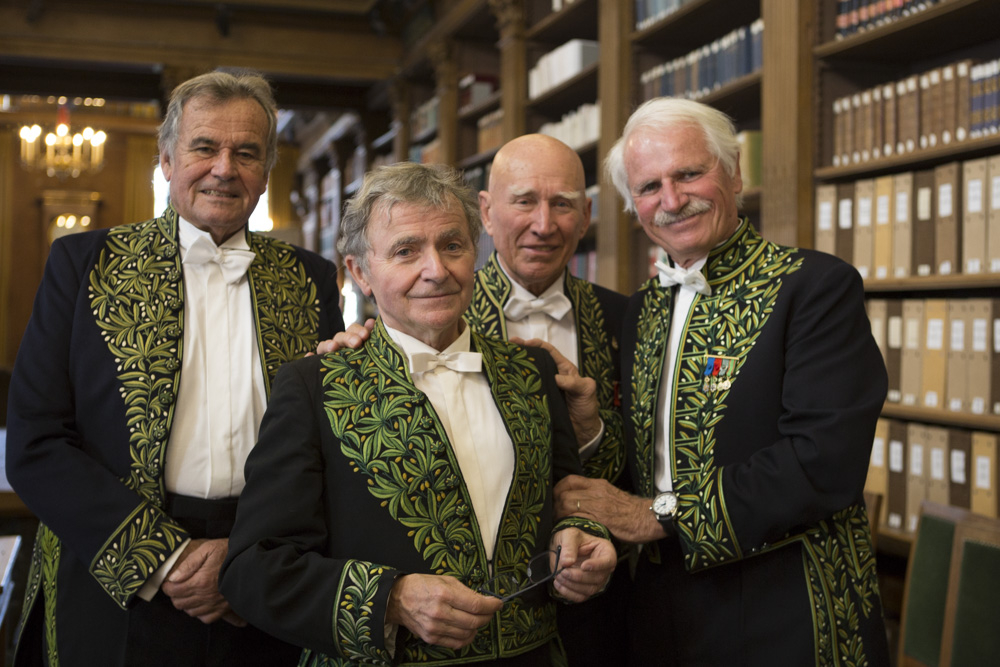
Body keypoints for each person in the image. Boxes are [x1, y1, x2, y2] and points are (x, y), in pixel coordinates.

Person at [5, 70, 344, 667]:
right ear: (166, 160)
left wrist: (243, 555)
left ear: (266, 172)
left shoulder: (312, 279)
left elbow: (326, 443)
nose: (224, 168)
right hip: (111, 574)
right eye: (204, 148)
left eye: (245, 153)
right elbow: (35, 443)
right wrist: (166, 558)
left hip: (264, 574)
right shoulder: (83, 264)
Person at [220, 162, 617, 667]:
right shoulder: (313, 386)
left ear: (476, 252)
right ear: (360, 273)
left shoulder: (532, 371)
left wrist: (585, 538)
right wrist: (393, 598)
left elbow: (570, 498)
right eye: (406, 251)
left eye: (452, 245)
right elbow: (254, 568)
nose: (436, 269)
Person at [554, 97, 891, 666]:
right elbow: (652, 463)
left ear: (735, 172)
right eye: (649, 186)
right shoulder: (644, 308)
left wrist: (656, 517)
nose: (671, 199)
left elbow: (821, 461)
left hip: (786, 603)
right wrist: (593, 430)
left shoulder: (815, 287)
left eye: (689, 173)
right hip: (661, 608)